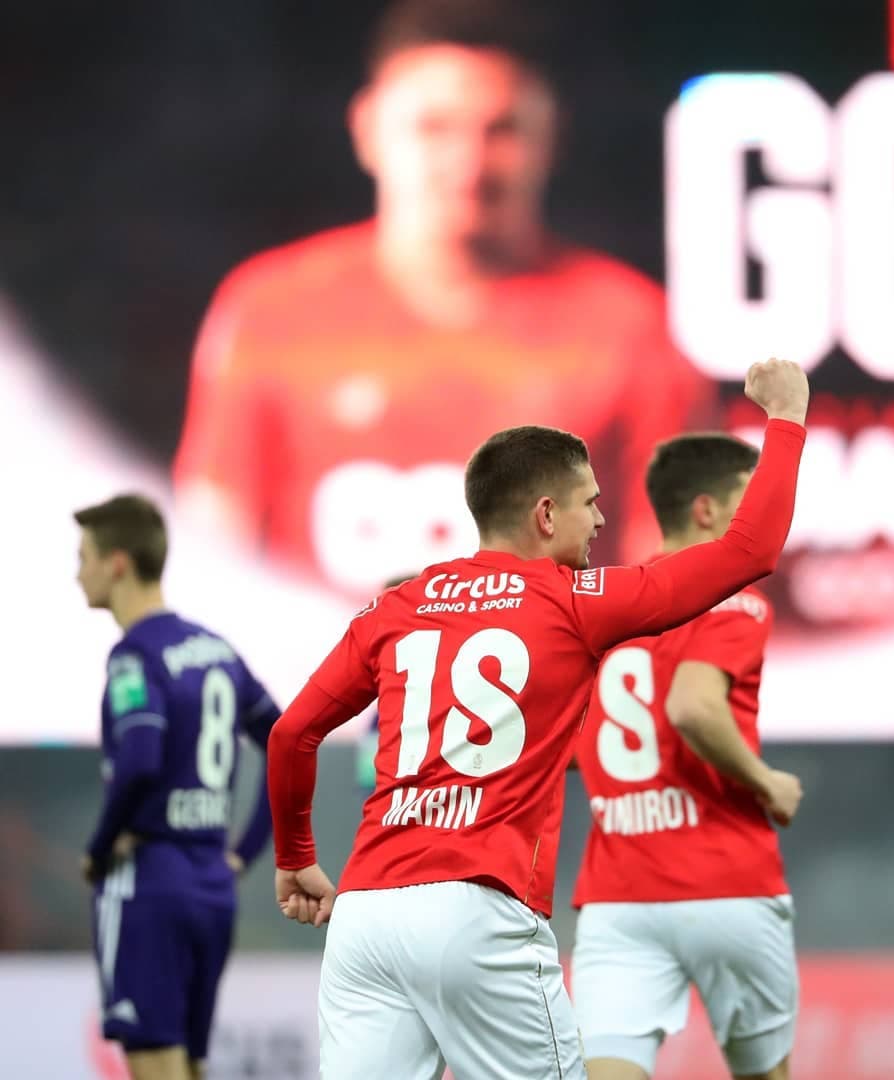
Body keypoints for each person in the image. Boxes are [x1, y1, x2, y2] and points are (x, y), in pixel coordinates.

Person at [266, 359, 807, 1080]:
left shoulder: (397, 606)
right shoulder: (573, 600)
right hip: (479, 906)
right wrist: (788, 417)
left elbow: (291, 734)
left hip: (367, 916)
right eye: (590, 502)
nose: (603, 519)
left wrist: (296, 856)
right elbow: (749, 550)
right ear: (546, 515)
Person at [172, 0, 707, 598]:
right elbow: (211, 554)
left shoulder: (630, 329)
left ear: (549, 137)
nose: (468, 162)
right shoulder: (272, 313)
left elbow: (677, 581)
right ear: (369, 129)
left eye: (501, 130)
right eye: (434, 127)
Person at [569, 433, 805, 1080]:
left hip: (619, 895)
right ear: (705, 511)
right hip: (724, 882)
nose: (760, 521)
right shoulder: (734, 597)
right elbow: (692, 706)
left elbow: (566, 741)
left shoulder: (601, 607)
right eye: (746, 502)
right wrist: (766, 782)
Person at [75, 494, 279, 1080]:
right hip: (212, 884)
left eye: (83, 555)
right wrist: (243, 852)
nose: (76, 571)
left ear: (117, 563)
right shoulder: (217, 650)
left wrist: (98, 846)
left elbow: (140, 757)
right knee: (188, 1067)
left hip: (149, 881)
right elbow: (288, 742)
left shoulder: (134, 656)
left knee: (156, 1067)